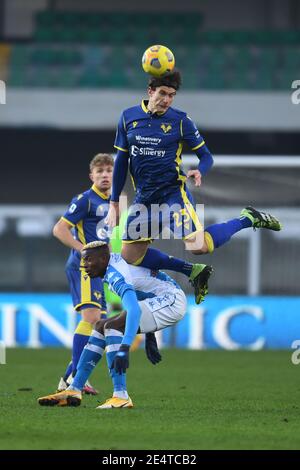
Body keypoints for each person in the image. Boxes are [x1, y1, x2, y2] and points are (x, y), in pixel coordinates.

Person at [105, 70, 282, 280]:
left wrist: (200, 170)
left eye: (171, 95)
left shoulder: (180, 121)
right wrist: (114, 202)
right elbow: (121, 161)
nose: (167, 100)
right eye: (162, 93)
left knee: (199, 247)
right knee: (130, 255)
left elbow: (206, 157)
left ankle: (247, 218)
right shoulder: (128, 117)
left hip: (172, 195)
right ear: (150, 91)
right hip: (145, 197)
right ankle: (193, 271)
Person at [38, 240, 187, 409]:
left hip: (172, 301)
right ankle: (74, 388)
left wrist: (124, 348)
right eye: (83, 260)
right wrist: (150, 334)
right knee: (101, 325)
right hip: (159, 300)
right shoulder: (112, 267)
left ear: (103, 259)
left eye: (88, 260)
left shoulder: (115, 275)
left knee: (112, 327)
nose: (83, 265)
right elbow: (144, 291)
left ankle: (121, 395)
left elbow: (135, 311)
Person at [53, 153, 113, 394]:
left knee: (99, 325)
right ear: (92, 176)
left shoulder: (114, 203)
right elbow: (59, 229)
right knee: (91, 319)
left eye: (109, 171)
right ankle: (76, 377)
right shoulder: (85, 200)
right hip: (84, 266)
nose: (105, 175)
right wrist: (84, 250)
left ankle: (69, 378)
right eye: (100, 172)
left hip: (98, 268)